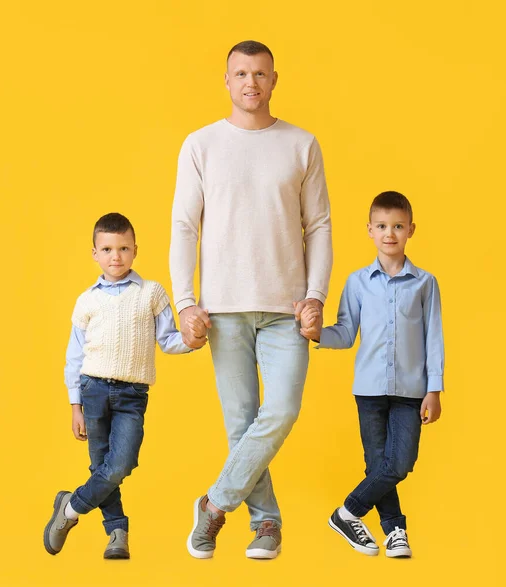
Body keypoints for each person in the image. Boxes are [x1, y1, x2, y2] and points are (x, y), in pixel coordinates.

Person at [170, 40, 333, 559]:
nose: (250, 83)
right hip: (223, 309)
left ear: (274, 80)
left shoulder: (301, 144)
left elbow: (321, 226)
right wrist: (186, 301)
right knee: (240, 422)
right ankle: (266, 523)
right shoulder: (200, 144)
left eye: (260, 74)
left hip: (287, 308)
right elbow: (183, 226)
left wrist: (315, 295)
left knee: (281, 408)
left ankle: (214, 505)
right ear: (226, 80)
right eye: (240, 73)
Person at [44, 213, 196, 559]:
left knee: (120, 464)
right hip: (93, 390)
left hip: (131, 395)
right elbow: (74, 356)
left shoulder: (151, 293)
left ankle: (70, 508)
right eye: (108, 249)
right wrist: (75, 405)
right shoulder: (87, 300)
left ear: (135, 250)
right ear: (95, 254)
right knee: (101, 466)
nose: (116, 256)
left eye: (124, 248)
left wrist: (193, 340)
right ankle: (117, 532)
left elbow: (169, 339)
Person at [300, 191, 444, 558]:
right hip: (369, 390)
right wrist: (318, 334)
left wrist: (434, 389)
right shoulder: (358, 282)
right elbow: (345, 333)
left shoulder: (425, 283)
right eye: (381, 226)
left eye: (397, 226)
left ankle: (346, 513)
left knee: (400, 462)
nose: (389, 233)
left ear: (411, 229)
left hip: (412, 390)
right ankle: (395, 531)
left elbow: (434, 339)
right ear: (369, 230)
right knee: (378, 463)